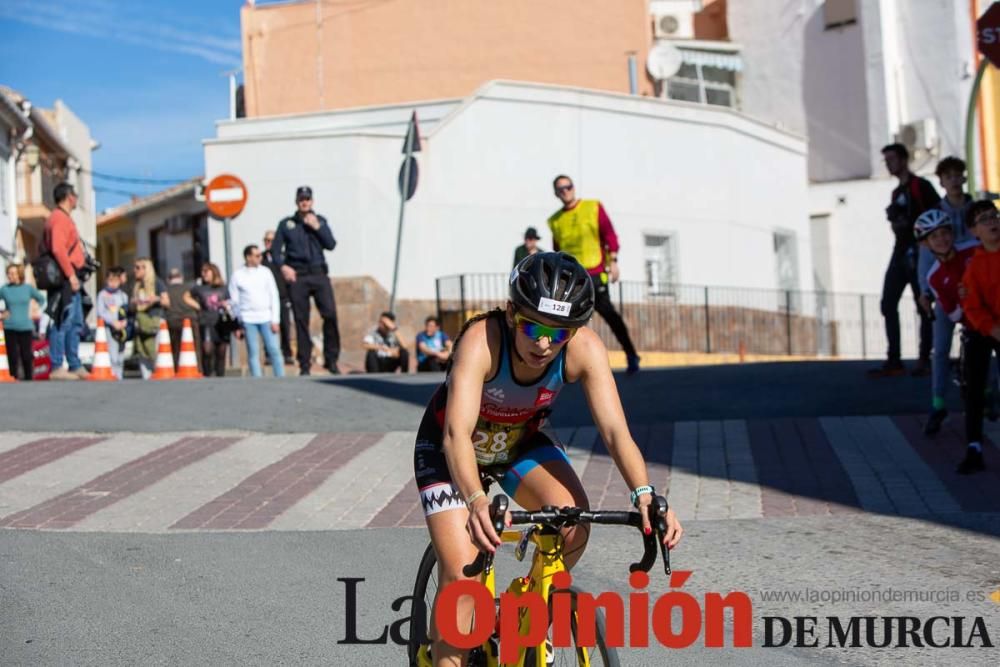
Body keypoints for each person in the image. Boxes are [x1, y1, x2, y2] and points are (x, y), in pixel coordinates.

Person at [413, 252, 682, 665]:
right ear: (510, 313)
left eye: (558, 334)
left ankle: (526, 611)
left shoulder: (584, 350)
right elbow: (456, 435)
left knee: (573, 522)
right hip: (450, 450)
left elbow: (615, 432)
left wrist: (644, 494)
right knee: (462, 578)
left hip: (517, 442)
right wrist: (476, 500)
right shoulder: (482, 341)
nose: (543, 344)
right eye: (533, 327)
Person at [547, 175, 641, 374]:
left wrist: (613, 261)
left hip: (595, 272)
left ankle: (631, 354)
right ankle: (561, 364)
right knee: (563, 319)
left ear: (573, 187)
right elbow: (556, 251)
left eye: (568, 186)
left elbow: (609, 235)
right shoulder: (555, 221)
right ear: (556, 193)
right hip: (570, 278)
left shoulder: (593, 207)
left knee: (610, 315)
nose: (565, 191)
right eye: (560, 189)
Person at [871, 143, 940, 377]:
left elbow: (936, 216)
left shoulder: (921, 186)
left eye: (891, 159)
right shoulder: (896, 193)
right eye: (886, 160)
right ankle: (894, 359)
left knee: (923, 304)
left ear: (903, 159)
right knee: (888, 302)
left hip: (920, 250)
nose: (888, 164)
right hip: (900, 250)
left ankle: (925, 357)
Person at [270, 185, 340, 376]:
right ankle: (305, 363)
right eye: (301, 199)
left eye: (307, 199)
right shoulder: (286, 224)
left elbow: (331, 244)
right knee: (301, 320)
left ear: (312, 201)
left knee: (330, 315)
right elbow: (275, 251)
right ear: (296, 201)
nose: (304, 202)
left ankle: (331, 359)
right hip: (298, 275)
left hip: (318, 273)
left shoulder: (320, 221)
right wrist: (284, 267)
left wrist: (317, 227)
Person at [958, 200, 1000, 474]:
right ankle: (973, 446)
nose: (992, 222)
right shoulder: (974, 264)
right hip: (983, 328)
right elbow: (970, 303)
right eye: (984, 219)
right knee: (975, 387)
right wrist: (991, 328)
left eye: (994, 215)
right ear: (974, 231)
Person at [44, 182, 88, 380]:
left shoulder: (63, 218)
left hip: (71, 277)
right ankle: (56, 366)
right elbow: (58, 249)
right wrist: (70, 275)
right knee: (63, 320)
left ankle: (74, 364)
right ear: (69, 197)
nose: (77, 199)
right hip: (65, 278)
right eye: (75, 195)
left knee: (75, 322)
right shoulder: (59, 219)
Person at [229, 245, 285, 378]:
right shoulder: (238, 275)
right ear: (248, 257)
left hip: (266, 317)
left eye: (260, 255)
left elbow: (273, 295)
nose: (260, 258)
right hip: (248, 319)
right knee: (253, 352)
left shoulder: (265, 272)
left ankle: (281, 377)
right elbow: (234, 300)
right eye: (257, 255)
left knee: (274, 349)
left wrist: (275, 319)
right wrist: (238, 321)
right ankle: (257, 379)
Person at [0, 263, 45, 380]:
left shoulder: (27, 288)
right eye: (8, 274)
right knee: (12, 356)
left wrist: (34, 310)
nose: (10, 276)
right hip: (9, 326)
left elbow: (42, 300)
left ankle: (29, 378)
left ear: (19, 274)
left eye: (13, 273)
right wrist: (2, 313)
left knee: (26, 355)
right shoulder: (4, 289)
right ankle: (13, 377)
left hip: (25, 326)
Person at [189, 263, 233, 377]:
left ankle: (220, 374)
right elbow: (186, 296)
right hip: (206, 321)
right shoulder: (199, 288)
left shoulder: (223, 288)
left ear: (214, 272)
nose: (203, 274)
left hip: (221, 322)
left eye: (206, 271)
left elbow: (231, 301)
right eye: (202, 272)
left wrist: (226, 305)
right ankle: (208, 373)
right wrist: (197, 306)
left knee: (222, 350)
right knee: (207, 349)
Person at [131, 258, 170, 380]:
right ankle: (146, 378)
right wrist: (134, 302)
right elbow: (132, 305)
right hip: (141, 322)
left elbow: (167, 302)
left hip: (155, 320)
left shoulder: (157, 283)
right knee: (142, 351)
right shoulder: (137, 285)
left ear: (146, 269)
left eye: (138, 267)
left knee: (156, 351)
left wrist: (156, 299)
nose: (135, 270)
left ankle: (159, 375)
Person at [262, 230, 294, 365]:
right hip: (266, 299)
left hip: (282, 297)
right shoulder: (261, 258)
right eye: (267, 240)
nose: (269, 243)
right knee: (268, 327)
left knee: (285, 326)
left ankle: (287, 353)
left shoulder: (284, 258)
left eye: (272, 241)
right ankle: (269, 354)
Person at [164, 267, 201, 372]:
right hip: (190, 321)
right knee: (194, 347)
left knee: (175, 348)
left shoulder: (166, 290)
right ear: (181, 277)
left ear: (169, 279)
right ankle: (197, 369)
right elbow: (197, 305)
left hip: (172, 321)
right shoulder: (189, 288)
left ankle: (177, 370)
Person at [96, 266, 129, 380]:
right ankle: (113, 374)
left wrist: (124, 322)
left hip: (122, 329)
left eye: (116, 281)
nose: (113, 284)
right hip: (109, 328)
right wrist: (112, 322)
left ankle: (119, 375)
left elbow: (126, 311)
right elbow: (100, 312)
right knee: (112, 353)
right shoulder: (102, 295)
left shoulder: (123, 296)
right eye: (110, 280)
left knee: (121, 354)